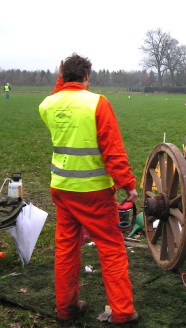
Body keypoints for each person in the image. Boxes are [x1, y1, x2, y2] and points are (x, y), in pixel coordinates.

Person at [38, 54, 139, 324]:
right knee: (111, 248)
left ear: (62, 76)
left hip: (62, 189)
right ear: (87, 77)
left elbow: (58, 96)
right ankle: (122, 311)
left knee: (67, 248)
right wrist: (128, 185)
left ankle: (66, 308)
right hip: (94, 192)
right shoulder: (97, 103)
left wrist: (62, 76)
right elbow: (113, 152)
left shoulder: (48, 105)